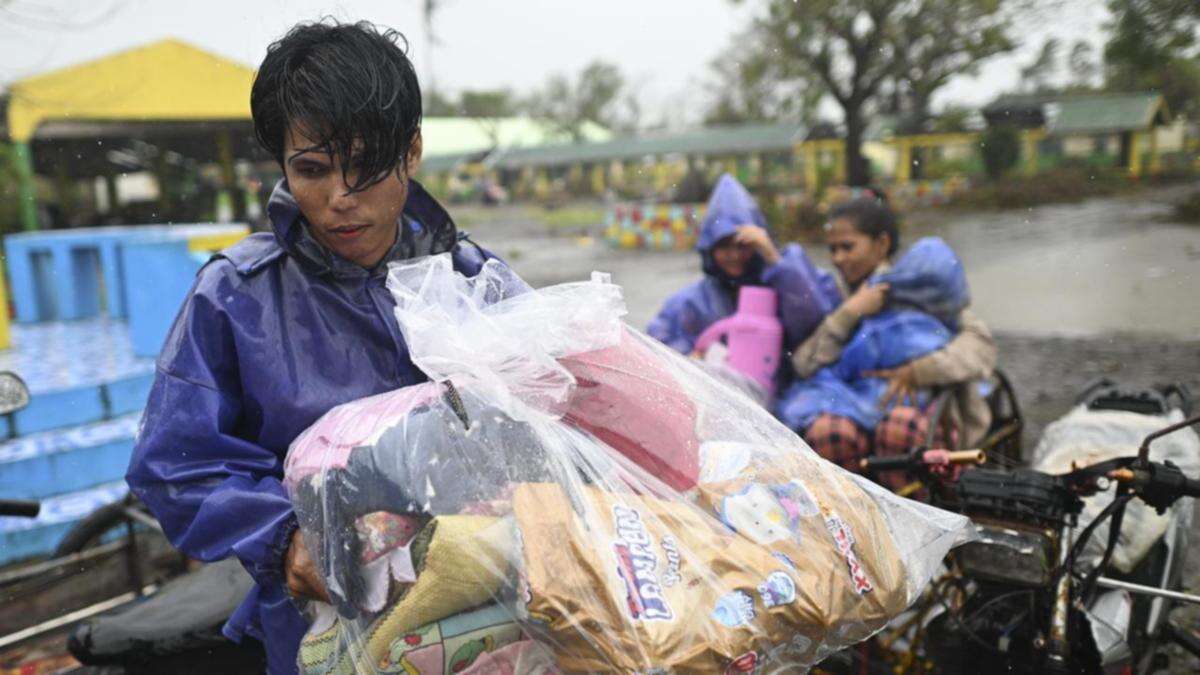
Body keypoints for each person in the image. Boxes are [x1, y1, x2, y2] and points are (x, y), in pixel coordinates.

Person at [124, 20, 495, 674]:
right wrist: (287, 541)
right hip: (319, 625)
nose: (340, 199)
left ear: (411, 151)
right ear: (284, 166)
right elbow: (174, 463)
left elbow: (561, 417)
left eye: (366, 164)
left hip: (488, 607)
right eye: (313, 169)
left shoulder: (472, 280)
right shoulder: (233, 297)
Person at [788, 194, 996, 470]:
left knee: (899, 431)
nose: (838, 258)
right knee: (828, 434)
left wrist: (918, 370)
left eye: (848, 247)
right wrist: (849, 313)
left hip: (923, 410)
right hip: (851, 408)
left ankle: (919, 508)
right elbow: (804, 364)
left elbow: (981, 349)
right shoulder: (832, 294)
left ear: (882, 244)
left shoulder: (922, 288)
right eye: (833, 249)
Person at [647, 174, 835, 361]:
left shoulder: (791, 279)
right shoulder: (690, 302)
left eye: (743, 245)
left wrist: (774, 259)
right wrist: (693, 357)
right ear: (709, 249)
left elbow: (813, 324)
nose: (734, 255)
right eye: (724, 246)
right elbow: (656, 344)